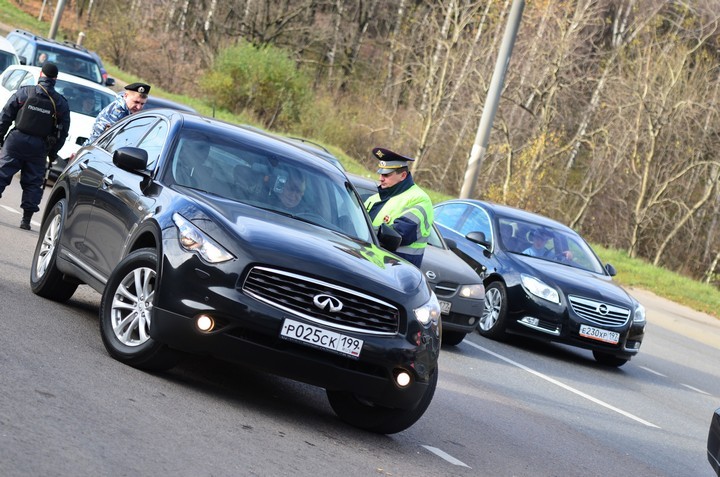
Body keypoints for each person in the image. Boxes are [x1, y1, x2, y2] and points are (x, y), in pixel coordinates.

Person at [0, 62, 70, 230]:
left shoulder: (24, 92)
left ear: (41, 74)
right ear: (55, 79)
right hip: (39, 147)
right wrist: (53, 153)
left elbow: (5, 116)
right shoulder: (60, 103)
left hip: (15, 141)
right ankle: (26, 220)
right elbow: (63, 132)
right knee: (33, 183)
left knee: (1, 174)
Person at [364, 147, 433, 267]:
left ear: (403, 175)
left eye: (386, 175)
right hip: (369, 263)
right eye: (380, 173)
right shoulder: (375, 198)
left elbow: (399, 234)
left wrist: (361, 230)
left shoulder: (420, 199)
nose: (381, 178)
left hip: (396, 271)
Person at [83, 82, 150, 145]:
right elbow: (108, 141)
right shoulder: (116, 113)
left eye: (142, 104)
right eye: (136, 102)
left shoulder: (127, 112)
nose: (139, 107)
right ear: (125, 96)